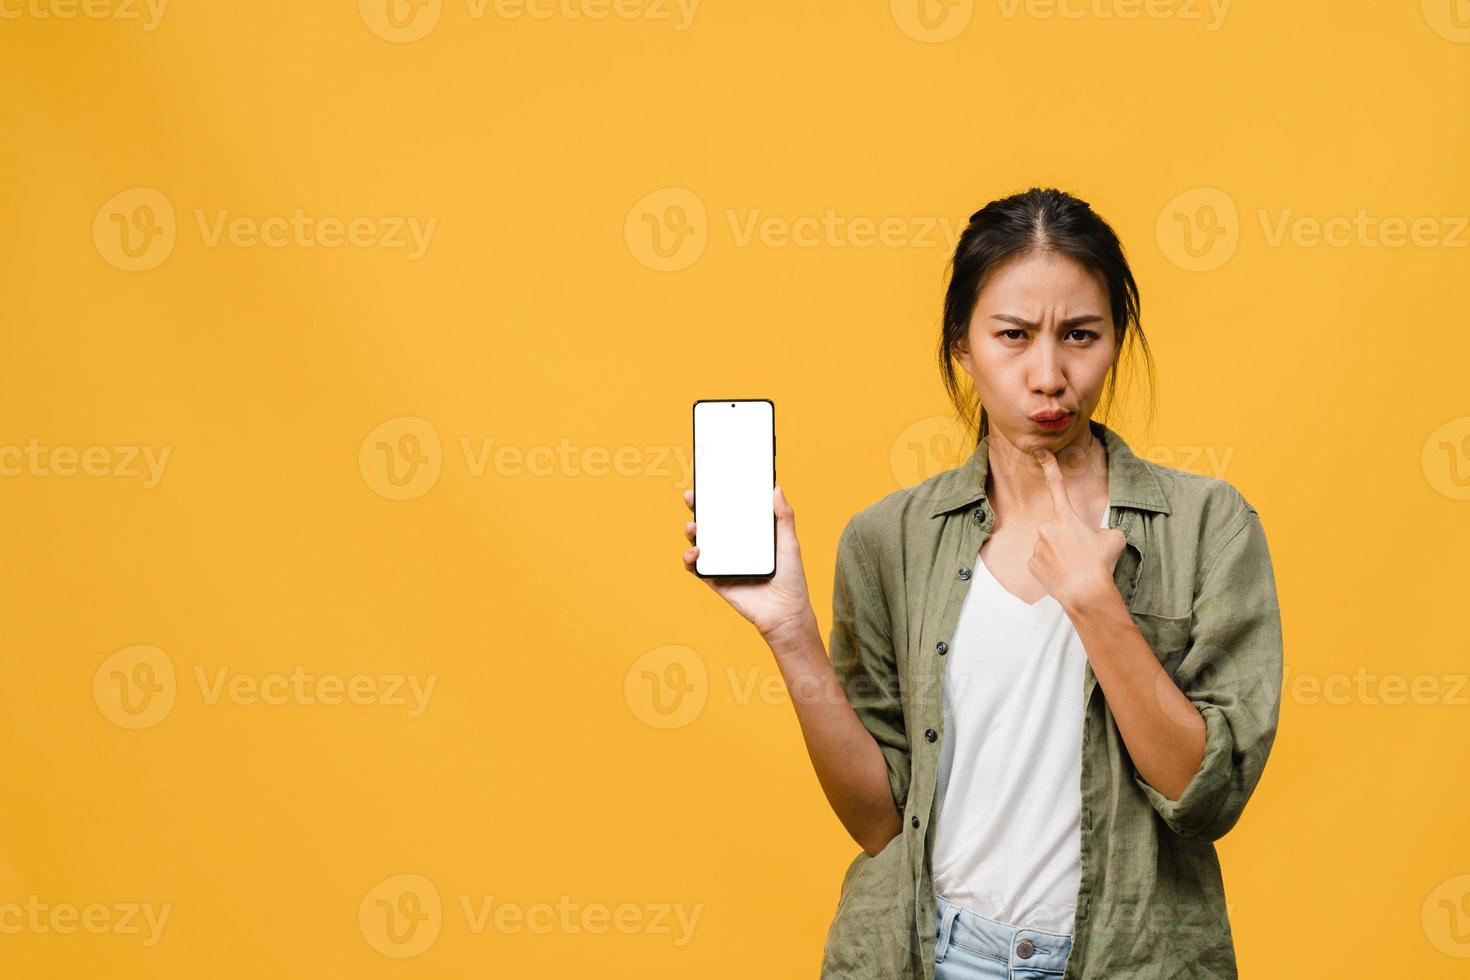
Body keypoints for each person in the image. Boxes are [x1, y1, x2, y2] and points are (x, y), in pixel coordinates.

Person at [679, 187, 1283, 979]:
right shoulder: (888, 539)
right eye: (1012, 335)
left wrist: (1098, 606)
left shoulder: (1209, 525)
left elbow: (1205, 800)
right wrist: (790, 633)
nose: (1048, 373)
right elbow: (876, 821)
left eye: (1079, 335)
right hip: (932, 956)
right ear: (962, 345)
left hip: (1130, 961)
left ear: (1116, 339)